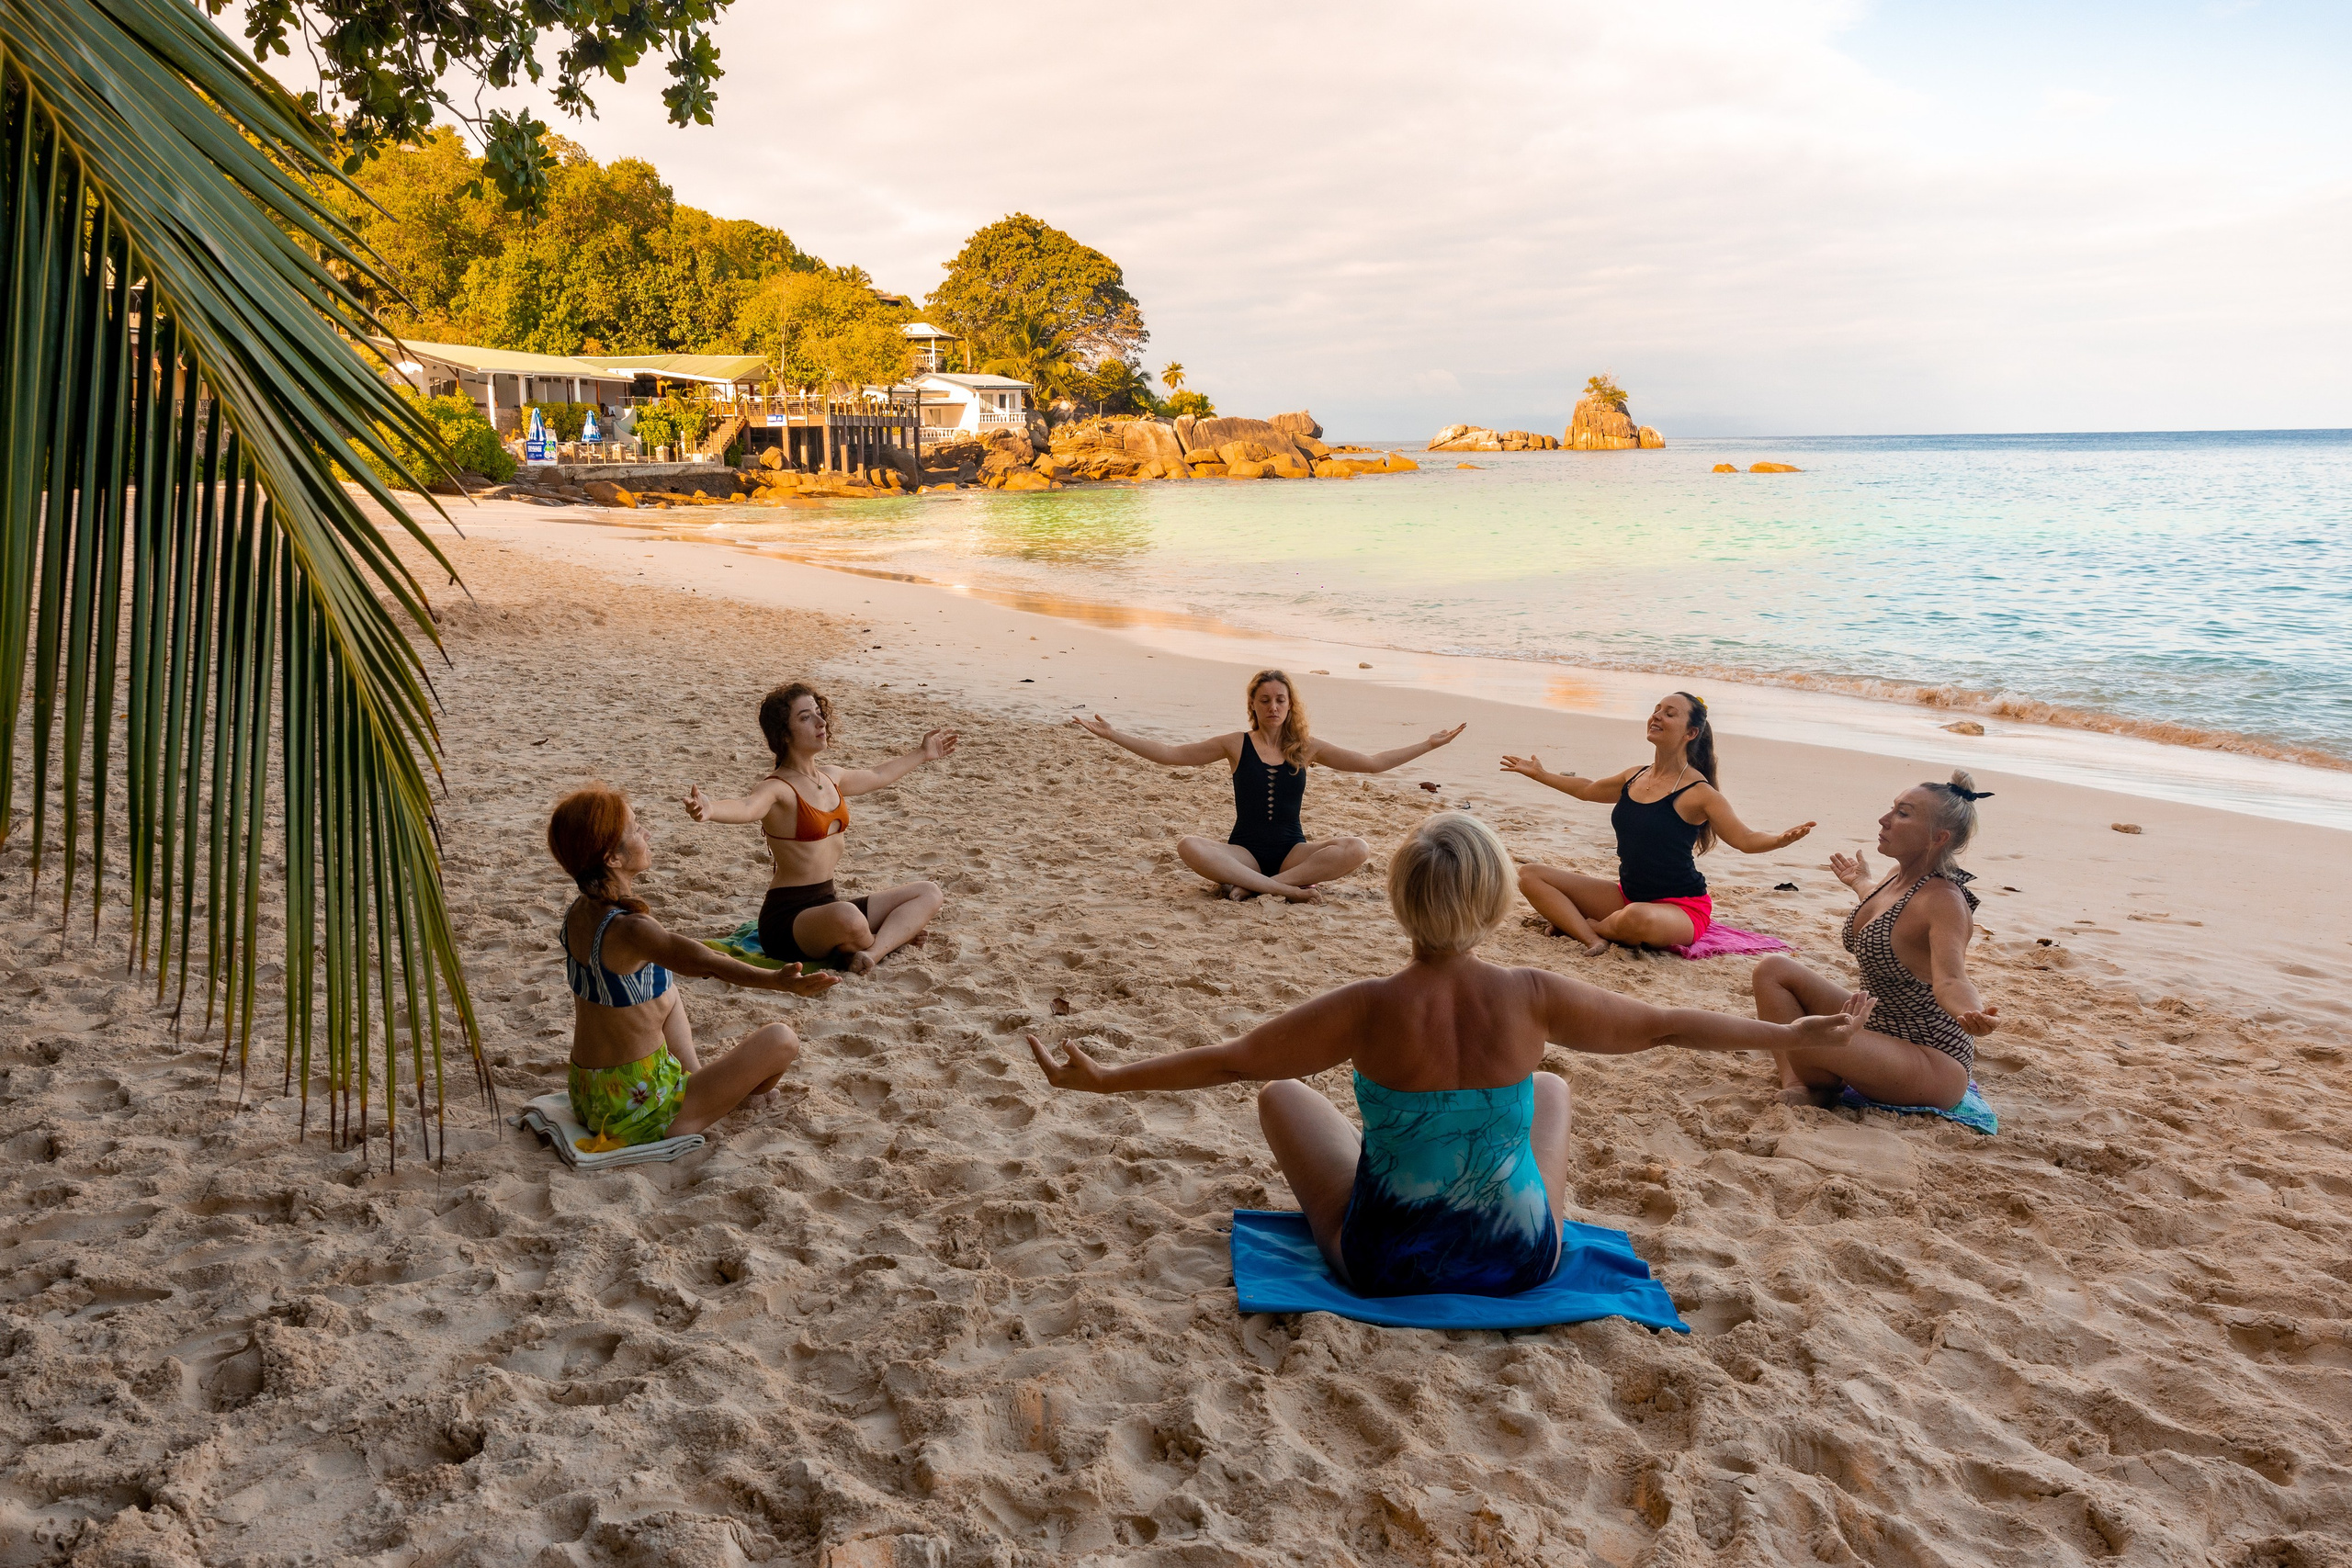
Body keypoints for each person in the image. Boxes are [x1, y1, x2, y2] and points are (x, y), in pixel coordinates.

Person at [1027, 812, 1871, 1296]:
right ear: (1499, 901)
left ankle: (1412, 1170)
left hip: (1386, 1261)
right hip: (1519, 1256)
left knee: (1282, 1090)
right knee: (1549, 1087)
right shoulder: (1533, 994)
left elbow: (1231, 1059)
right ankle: (1489, 1189)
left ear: (1400, 904)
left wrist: (1105, 1080)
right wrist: (1787, 1035)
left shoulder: (1364, 1007)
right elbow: (1665, 1023)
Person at [548, 785, 837, 1149]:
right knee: (782, 1040)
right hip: (641, 1110)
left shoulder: (580, 911)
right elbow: (707, 963)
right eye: (636, 829)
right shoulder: (632, 929)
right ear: (612, 858)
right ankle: (709, 1098)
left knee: (662, 986)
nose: (646, 834)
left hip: (591, 1095)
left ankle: (699, 1080)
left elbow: (688, 961)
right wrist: (778, 982)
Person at [1071, 669, 1465, 902]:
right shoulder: (1234, 744)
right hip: (1244, 852)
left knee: (1357, 847)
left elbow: (1374, 764)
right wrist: (1114, 735)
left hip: (1294, 854)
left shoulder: (1307, 748)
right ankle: (1288, 890)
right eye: (1264, 700)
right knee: (1188, 844)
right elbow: (1172, 754)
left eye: (1280, 700)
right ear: (1254, 706)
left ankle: (1266, 886)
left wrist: (1428, 745)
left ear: (1290, 705)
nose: (1273, 707)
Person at [1752, 771, 1999, 1111]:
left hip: (1930, 1060)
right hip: (1879, 1024)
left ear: (1937, 838)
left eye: (1903, 813)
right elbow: (1890, 911)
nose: (1884, 820)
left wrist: (1972, 1013)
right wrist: (1860, 883)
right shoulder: (1897, 876)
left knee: (1805, 1035)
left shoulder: (1945, 901)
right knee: (1773, 970)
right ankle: (1800, 1083)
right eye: (1892, 808)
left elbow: (1952, 979)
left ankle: (1815, 1078)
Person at [1501, 691, 1815, 954]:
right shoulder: (1634, 776)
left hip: (1681, 909)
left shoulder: (1699, 792)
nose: (1657, 717)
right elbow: (1586, 789)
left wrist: (1778, 840)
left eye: (1669, 714)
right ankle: (1592, 937)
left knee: (1636, 918)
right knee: (1529, 875)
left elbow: (1744, 839)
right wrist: (1542, 775)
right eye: (1655, 711)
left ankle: (1587, 925)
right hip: (1629, 895)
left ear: (1691, 733)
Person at [684, 682, 954, 976]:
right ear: (783, 734)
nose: (820, 722)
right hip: (788, 921)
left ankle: (872, 951)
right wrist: (711, 810)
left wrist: (923, 753)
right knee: (850, 918)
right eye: (805, 717)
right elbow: (748, 807)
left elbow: (879, 774)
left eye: (818, 712)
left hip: (828, 904)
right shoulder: (778, 788)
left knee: (929, 892)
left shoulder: (832, 777)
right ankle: (888, 942)